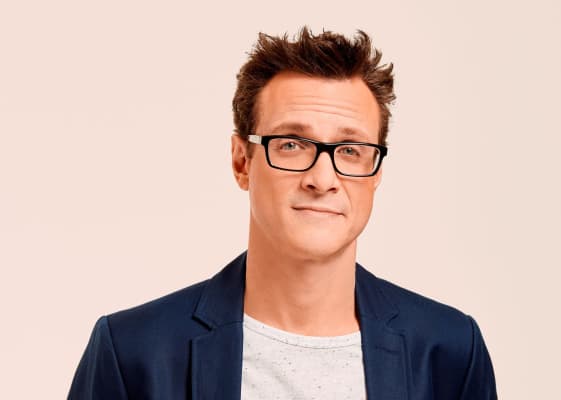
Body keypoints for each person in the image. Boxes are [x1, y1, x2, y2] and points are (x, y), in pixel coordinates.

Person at [68, 27, 497, 400]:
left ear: (376, 171)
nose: (322, 178)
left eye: (350, 150)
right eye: (292, 144)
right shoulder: (133, 353)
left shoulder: (450, 352)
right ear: (242, 162)